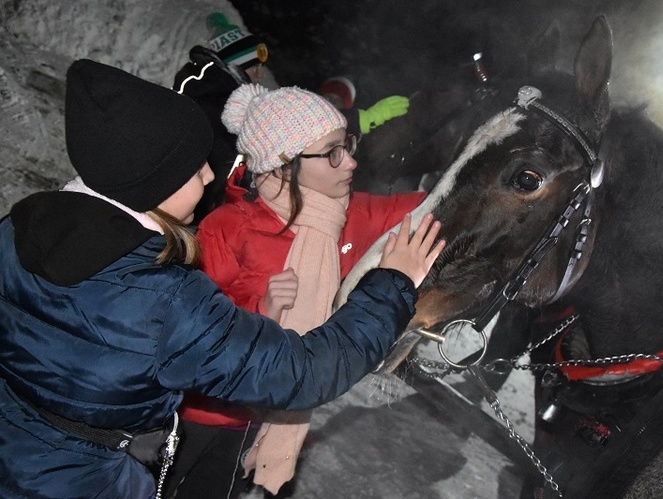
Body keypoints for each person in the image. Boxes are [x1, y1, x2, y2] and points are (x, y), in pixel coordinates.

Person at [0, 59, 444, 499]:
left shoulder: (15, 229)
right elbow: (300, 372)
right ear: (155, 182)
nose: (213, 174)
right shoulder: (163, 295)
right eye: (196, 169)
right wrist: (392, 285)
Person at [166, 84, 428, 498]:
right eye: (333, 151)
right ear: (284, 166)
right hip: (197, 419)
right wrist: (260, 313)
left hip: (261, 423)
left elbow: (440, 206)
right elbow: (183, 329)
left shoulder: (353, 214)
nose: (352, 161)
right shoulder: (230, 227)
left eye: (348, 145)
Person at [173, 12, 411, 223]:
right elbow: (295, 127)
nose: (258, 73)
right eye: (253, 65)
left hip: (216, 209)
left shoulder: (208, 90)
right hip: (215, 212)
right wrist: (363, 118)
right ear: (236, 66)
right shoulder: (219, 99)